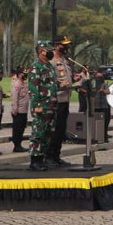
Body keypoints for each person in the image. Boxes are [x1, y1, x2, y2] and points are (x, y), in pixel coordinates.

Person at [28, 40, 58, 171]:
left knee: (48, 133)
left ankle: (42, 158)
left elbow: (51, 84)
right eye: (49, 50)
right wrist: (36, 106)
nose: (51, 53)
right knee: (38, 133)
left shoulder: (50, 66)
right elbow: (33, 88)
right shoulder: (36, 67)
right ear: (41, 51)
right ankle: (35, 160)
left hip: (51, 105)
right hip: (42, 105)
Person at [48, 34, 74, 166]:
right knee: (55, 129)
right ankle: (49, 157)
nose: (66, 47)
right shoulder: (51, 61)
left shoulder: (64, 60)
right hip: (56, 100)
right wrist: (59, 84)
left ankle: (56, 156)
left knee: (61, 130)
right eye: (63, 45)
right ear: (56, 46)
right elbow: (48, 80)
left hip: (65, 99)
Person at [10, 66, 30, 153]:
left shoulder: (25, 84)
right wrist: (14, 110)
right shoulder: (17, 85)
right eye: (23, 74)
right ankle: (16, 145)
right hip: (18, 111)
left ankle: (19, 144)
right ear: (18, 74)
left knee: (22, 128)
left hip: (24, 110)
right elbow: (15, 99)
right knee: (17, 129)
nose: (25, 75)